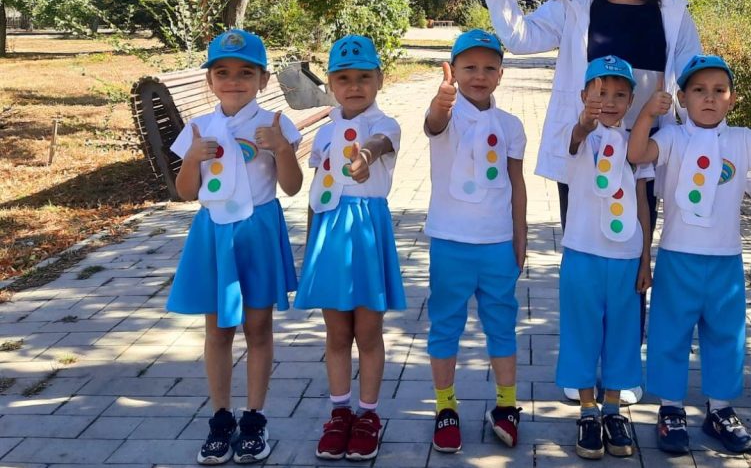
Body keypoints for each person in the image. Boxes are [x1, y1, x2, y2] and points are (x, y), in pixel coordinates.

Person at [479, 0, 701, 405]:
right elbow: (520, 37)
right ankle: (582, 374)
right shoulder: (574, 3)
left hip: (643, 154)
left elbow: (691, 69)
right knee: (584, 260)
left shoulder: (671, 8)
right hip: (583, 154)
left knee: (632, 258)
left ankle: (622, 376)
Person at [626, 55, 751, 456]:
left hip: (725, 259)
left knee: (725, 334)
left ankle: (720, 409)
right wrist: (647, 114)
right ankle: (670, 408)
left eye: (719, 91)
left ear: (732, 99)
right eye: (699, 90)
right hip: (678, 257)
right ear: (682, 98)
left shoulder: (742, 139)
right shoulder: (672, 137)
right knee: (670, 333)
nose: (709, 98)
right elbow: (637, 154)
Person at [166, 29, 303, 465]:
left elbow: (292, 187)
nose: (234, 81)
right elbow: (186, 192)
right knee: (218, 329)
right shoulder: (197, 128)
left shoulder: (277, 124)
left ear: (263, 79)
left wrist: (282, 150)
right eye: (222, 72)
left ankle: (255, 418)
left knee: (258, 328)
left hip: (258, 231)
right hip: (215, 234)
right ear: (210, 80)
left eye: (246, 72)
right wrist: (192, 158)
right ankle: (221, 417)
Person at [294, 35, 405, 461]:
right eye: (343, 78)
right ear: (330, 83)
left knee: (368, 332)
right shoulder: (324, 133)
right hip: (329, 234)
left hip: (366, 232)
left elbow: (378, 146)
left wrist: (365, 157)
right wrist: (311, 250)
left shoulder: (385, 124)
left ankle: (369, 415)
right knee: (337, 332)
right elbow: (316, 193)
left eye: (364, 77)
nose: (354, 86)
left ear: (380, 79)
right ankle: (340, 412)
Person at [423, 29, 528, 453]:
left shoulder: (511, 125)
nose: (479, 76)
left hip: (497, 243)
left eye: (489, 68)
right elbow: (433, 124)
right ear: (453, 70)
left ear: (501, 74)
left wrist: (520, 233)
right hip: (450, 242)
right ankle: (445, 407)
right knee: (446, 324)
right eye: (469, 67)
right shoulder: (447, 114)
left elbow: (516, 182)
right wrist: (440, 101)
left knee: (501, 324)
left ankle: (506, 405)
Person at [558, 55, 653, 460]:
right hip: (583, 254)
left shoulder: (637, 144)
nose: (609, 102)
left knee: (623, 334)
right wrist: (585, 120)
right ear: (584, 96)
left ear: (631, 100)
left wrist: (645, 258)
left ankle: (613, 409)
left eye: (619, 94)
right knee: (581, 331)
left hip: (626, 256)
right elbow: (575, 136)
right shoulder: (578, 135)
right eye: (600, 93)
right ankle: (587, 410)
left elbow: (643, 202)